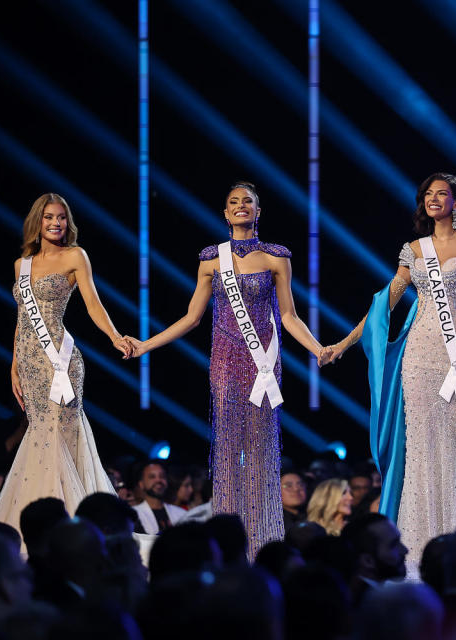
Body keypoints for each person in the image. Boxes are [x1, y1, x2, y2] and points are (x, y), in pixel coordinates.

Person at [324, 173, 456, 570]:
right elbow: (382, 307)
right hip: (420, 358)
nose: (434, 199)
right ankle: (417, 552)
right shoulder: (413, 250)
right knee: (422, 454)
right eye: (428, 194)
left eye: (442, 194)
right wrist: (343, 343)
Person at [125, 181, 327, 559]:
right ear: (224, 213)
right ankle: (231, 546)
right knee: (229, 453)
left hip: (262, 367)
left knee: (260, 453)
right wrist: (145, 344)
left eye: (247, 201)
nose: (240, 206)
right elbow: (191, 317)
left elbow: (288, 316)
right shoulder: (210, 259)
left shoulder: (275, 256)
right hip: (225, 368)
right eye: (233, 201)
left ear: (258, 211)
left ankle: (262, 543)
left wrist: (317, 349)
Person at [0, 194, 125, 536]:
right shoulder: (21, 264)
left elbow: (94, 305)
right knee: (39, 436)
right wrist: (14, 365)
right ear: (37, 221)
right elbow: (22, 319)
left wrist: (113, 336)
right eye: (49, 217)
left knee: (59, 435)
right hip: (30, 364)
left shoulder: (75, 256)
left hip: (60, 362)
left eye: (61, 217)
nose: (55, 223)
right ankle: (41, 524)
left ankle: (67, 525)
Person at [132, 461, 186, 535]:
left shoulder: (181, 513)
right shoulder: (134, 515)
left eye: (162, 476)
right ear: (141, 484)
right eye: (152, 477)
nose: (158, 480)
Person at [280, 469, 308, 534]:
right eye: (288, 486)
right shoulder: (271, 524)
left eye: (300, 485)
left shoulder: (313, 517)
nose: (296, 489)